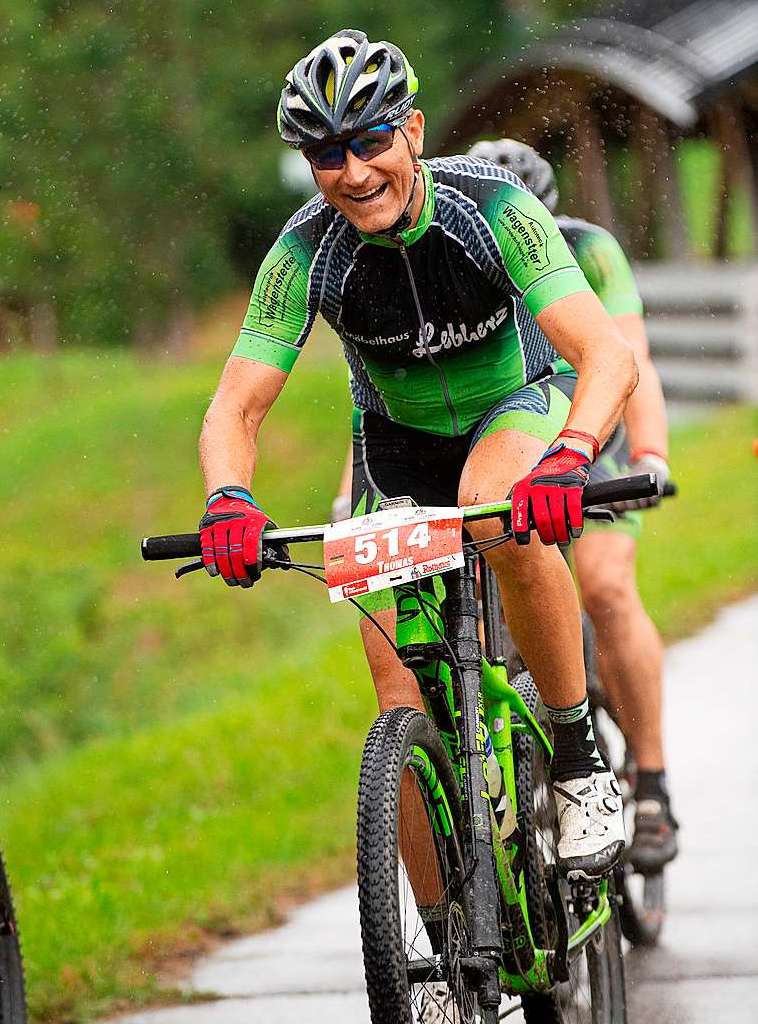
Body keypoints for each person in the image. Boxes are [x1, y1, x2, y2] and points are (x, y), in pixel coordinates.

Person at [198, 29, 638, 906]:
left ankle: (581, 761)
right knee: (396, 703)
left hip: (513, 410)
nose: (353, 173)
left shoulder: (496, 205)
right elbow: (235, 406)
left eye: (369, 142)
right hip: (394, 446)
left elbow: (606, 356)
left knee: (490, 510)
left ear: (414, 131)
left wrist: (572, 458)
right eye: (326, 153)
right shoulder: (302, 252)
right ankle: (438, 954)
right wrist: (228, 500)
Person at [467, 139, 678, 872]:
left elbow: (631, 360)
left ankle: (648, 780)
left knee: (608, 587)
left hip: (596, 426)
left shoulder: (589, 251)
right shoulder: (458, 253)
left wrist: (649, 455)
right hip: (510, 434)